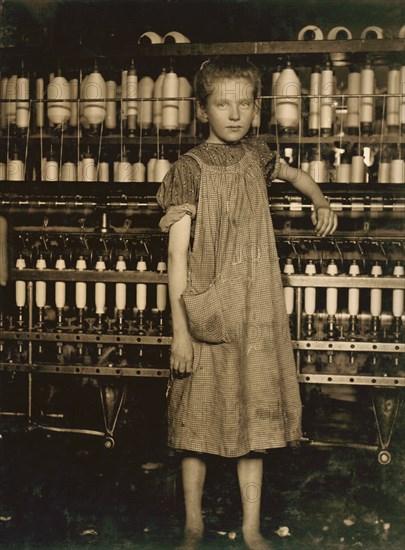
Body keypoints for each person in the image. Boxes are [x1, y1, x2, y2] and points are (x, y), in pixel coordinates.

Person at [156, 57, 338, 550]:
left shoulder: (259, 155)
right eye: (221, 104)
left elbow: (297, 176)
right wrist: (181, 333)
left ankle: (251, 527)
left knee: (253, 421)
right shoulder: (188, 170)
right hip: (206, 312)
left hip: (255, 314)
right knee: (195, 421)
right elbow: (176, 256)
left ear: (256, 108)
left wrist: (321, 202)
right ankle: (194, 525)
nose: (234, 114)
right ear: (201, 110)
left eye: (243, 103)